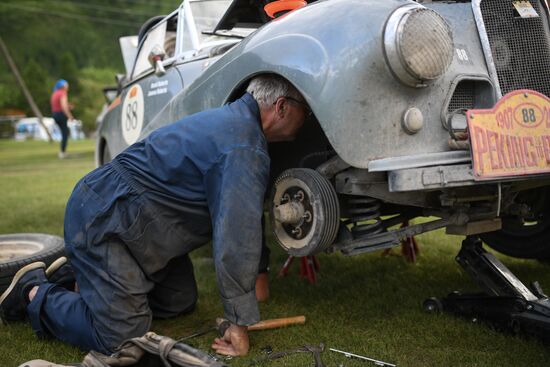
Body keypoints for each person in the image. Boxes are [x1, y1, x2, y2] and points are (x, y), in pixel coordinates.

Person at [0, 75, 310, 357]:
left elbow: (246, 217)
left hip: (133, 223)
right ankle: (35, 291)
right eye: (304, 110)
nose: (307, 117)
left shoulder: (235, 124)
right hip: (105, 219)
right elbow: (236, 239)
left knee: (179, 300)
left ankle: (79, 276)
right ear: (281, 107)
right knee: (125, 338)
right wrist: (239, 324)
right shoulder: (244, 146)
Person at [50, 79, 75, 159]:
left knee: (65, 132)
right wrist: (69, 116)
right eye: (67, 85)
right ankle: (62, 152)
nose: (68, 86)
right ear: (63, 86)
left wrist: (68, 106)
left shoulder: (55, 93)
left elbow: (58, 105)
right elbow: (63, 107)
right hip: (61, 114)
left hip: (55, 114)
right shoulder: (62, 93)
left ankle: (63, 151)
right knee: (65, 132)